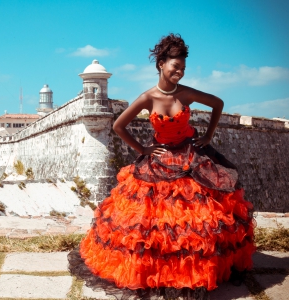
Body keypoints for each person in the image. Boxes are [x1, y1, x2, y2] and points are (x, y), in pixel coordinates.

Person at [68, 33, 255, 300]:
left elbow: (218, 104)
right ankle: (159, 272)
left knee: (197, 222)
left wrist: (208, 136)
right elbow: (119, 126)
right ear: (161, 65)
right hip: (159, 159)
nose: (179, 72)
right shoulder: (148, 97)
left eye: (183, 68)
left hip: (190, 157)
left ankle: (192, 271)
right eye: (175, 67)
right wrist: (142, 149)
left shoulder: (186, 94)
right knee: (151, 224)